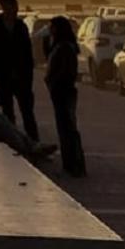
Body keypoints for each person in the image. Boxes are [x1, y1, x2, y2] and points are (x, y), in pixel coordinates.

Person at [0, 0, 40, 143]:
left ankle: (33, 142)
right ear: (3, 7)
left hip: (22, 77)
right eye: (9, 6)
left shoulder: (21, 26)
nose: (13, 9)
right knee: (8, 113)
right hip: (4, 77)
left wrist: (28, 73)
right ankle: (13, 142)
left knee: (27, 112)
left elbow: (27, 52)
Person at [46, 15, 86, 176]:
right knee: (66, 127)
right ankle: (70, 163)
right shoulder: (61, 46)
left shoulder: (64, 47)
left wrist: (54, 82)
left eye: (52, 27)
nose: (50, 30)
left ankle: (74, 163)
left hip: (63, 91)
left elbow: (65, 71)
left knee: (67, 128)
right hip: (61, 90)